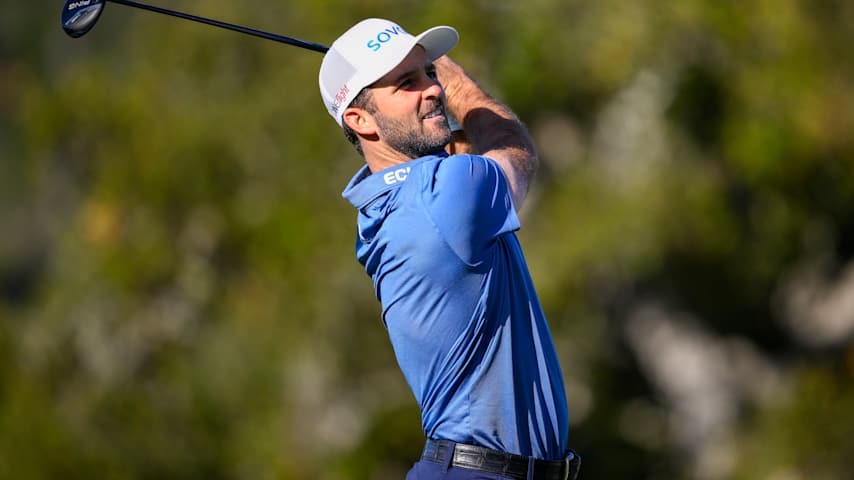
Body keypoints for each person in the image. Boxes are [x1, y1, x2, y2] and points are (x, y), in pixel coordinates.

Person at [318, 18, 581, 480]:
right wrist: (461, 86)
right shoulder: (445, 194)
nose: (432, 90)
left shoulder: (381, 205)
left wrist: (442, 123)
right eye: (406, 83)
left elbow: (445, 162)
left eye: (429, 74)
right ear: (359, 120)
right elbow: (513, 147)